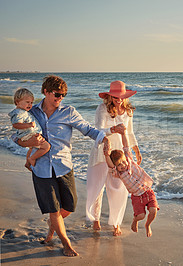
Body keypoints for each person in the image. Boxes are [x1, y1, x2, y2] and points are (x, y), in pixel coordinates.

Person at [16, 75, 110, 257]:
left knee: (69, 206)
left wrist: (103, 139)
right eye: (57, 95)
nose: (60, 99)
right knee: (53, 209)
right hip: (41, 169)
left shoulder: (69, 112)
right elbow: (17, 137)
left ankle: (51, 230)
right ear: (46, 92)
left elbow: (87, 129)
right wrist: (28, 144)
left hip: (64, 166)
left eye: (63, 95)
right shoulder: (31, 112)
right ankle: (65, 243)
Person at [86, 80, 142, 236]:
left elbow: (129, 133)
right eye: (115, 97)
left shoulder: (128, 111)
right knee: (96, 187)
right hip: (101, 150)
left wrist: (136, 150)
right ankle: (95, 219)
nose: (119, 100)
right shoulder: (102, 108)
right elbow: (97, 130)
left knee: (118, 189)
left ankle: (116, 223)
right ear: (110, 96)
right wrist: (113, 129)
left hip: (120, 154)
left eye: (121, 96)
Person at [104, 129, 158, 237]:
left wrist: (123, 134)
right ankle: (135, 220)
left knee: (153, 210)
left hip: (147, 191)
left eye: (123, 161)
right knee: (141, 216)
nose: (123, 165)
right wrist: (106, 155)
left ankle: (148, 225)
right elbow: (110, 165)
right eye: (119, 165)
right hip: (137, 197)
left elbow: (126, 146)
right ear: (116, 167)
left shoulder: (129, 160)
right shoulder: (118, 173)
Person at [9, 88, 50, 168]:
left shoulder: (23, 112)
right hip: (28, 135)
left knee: (31, 149)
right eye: (27, 102)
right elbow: (16, 125)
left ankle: (28, 163)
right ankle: (32, 158)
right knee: (46, 147)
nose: (30, 105)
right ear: (17, 102)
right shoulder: (19, 113)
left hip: (28, 134)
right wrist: (29, 125)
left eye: (31, 102)